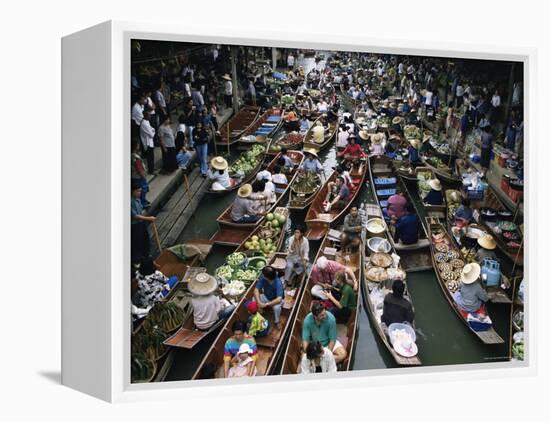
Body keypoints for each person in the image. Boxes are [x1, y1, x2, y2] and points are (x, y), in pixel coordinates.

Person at [131, 180, 155, 264]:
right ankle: (137, 262)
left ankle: (146, 257)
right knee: (137, 243)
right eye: (137, 191)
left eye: (140, 191)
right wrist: (148, 218)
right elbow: (135, 216)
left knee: (145, 240)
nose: (139, 193)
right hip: (135, 225)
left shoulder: (137, 200)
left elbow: (140, 211)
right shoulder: (130, 202)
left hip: (141, 223)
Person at [254, 266, 285, 330]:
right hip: (266, 297)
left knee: (277, 308)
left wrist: (266, 304)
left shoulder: (278, 283)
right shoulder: (263, 279)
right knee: (254, 299)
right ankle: (261, 311)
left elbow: (279, 299)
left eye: (263, 274)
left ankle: (277, 321)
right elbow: (256, 290)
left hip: (275, 300)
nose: (262, 275)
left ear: (267, 277)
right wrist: (259, 302)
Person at [131, 138, 150, 207]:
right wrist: (143, 176)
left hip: (135, 177)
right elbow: (139, 168)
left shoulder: (131, 155)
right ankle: (143, 202)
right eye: (138, 144)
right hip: (139, 177)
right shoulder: (135, 157)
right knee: (143, 189)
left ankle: (142, 201)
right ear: (136, 146)